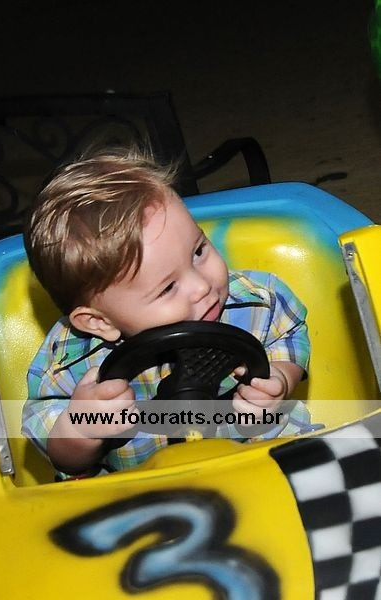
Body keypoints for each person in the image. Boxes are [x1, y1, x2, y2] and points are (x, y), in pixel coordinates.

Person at [22, 146, 310, 478]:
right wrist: (81, 429)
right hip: (146, 489)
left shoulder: (251, 300)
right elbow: (61, 456)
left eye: (198, 251)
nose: (201, 286)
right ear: (98, 321)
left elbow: (289, 331)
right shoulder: (70, 363)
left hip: (262, 456)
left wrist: (279, 378)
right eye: (168, 287)